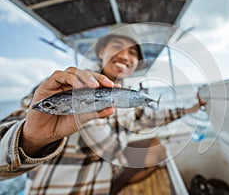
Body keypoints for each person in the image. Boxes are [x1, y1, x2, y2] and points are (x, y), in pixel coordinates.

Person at [0, 25, 206, 194]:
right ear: (101, 51)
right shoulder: (63, 86)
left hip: (106, 176)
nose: (126, 56)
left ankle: (114, 187)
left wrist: (191, 109)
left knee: (157, 148)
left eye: (133, 52)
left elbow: (151, 117)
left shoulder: (128, 96)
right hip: (60, 189)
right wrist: (31, 138)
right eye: (118, 46)